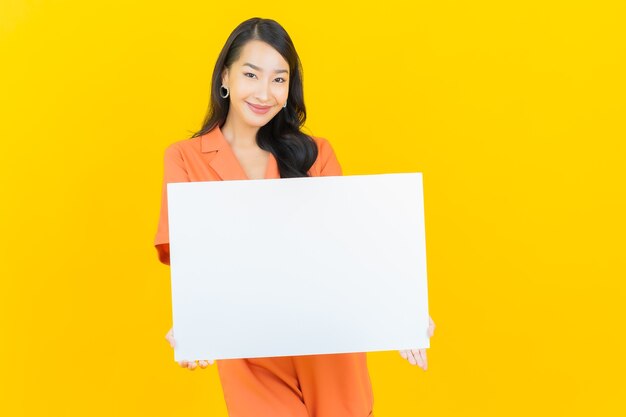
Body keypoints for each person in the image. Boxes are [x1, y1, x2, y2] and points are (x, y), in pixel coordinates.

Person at [154, 17, 435, 417]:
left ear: (289, 90)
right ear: (225, 77)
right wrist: (193, 324)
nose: (264, 93)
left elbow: (350, 251)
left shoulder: (315, 154)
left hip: (329, 347)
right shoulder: (184, 158)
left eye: (279, 79)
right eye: (251, 74)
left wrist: (402, 309)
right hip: (251, 354)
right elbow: (192, 260)